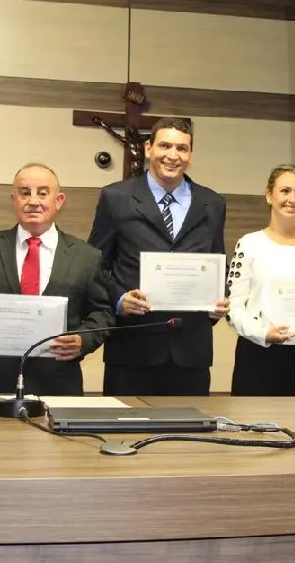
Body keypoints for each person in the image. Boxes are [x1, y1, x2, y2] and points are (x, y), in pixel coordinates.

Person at [0, 163, 113, 396]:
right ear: (13, 200)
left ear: (59, 201)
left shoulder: (87, 256)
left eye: (42, 193)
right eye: (25, 193)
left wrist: (83, 340)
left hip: (58, 385)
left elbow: (102, 313)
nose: (33, 201)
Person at [88, 117, 228, 395]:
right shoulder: (116, 197)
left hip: (191, 351)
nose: (173, 156)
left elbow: (217, 263)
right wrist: (118, 299)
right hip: (132, 349)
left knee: (188, 425)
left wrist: (217, 301)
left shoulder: (213, 203)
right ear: (148, 148)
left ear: (191, 155)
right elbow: (94, 265)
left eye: (182, 148)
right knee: (126, 422)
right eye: (165, 146)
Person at [226, 164, 295, 396]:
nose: (292, 199)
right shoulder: (248, 244)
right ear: (269, 195)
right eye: (285, 191)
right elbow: (233, 307)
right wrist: (262, 333)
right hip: (256, 356)